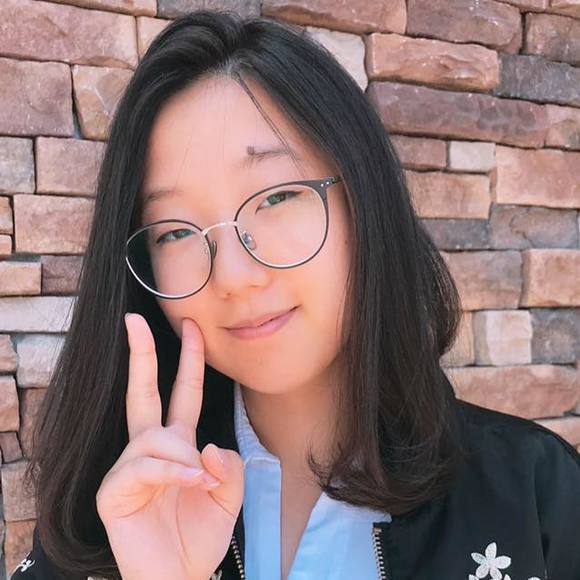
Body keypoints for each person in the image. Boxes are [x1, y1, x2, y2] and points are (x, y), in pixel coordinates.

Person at [10, 8, 580, 580]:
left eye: (277, 197)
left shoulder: (535, 494)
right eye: (175, 232)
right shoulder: (109, 516)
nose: (234, 275)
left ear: (364, 198)